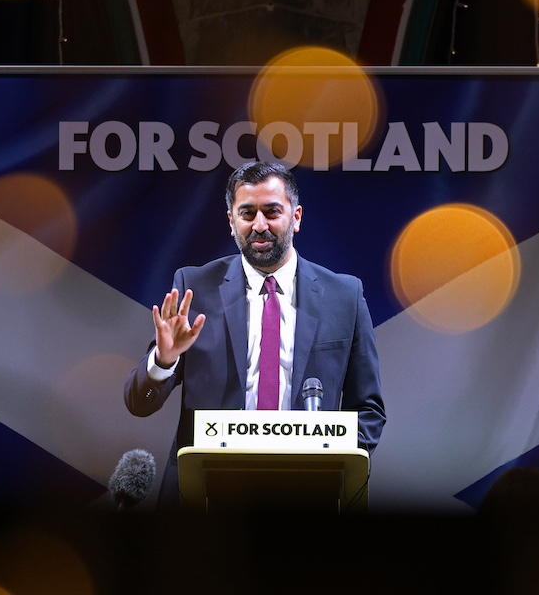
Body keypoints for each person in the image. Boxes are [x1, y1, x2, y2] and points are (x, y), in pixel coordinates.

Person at [124, 160, 386, 510]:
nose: (259, 225)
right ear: (232, 223)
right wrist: (164, 360)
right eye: (247, 213)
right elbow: (139, 403)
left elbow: (368, 411)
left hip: (306, 498)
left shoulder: (345, 296)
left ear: (296, 217)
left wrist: (326, 453)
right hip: (204, 497)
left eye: (272, 212)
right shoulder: (195, 288)